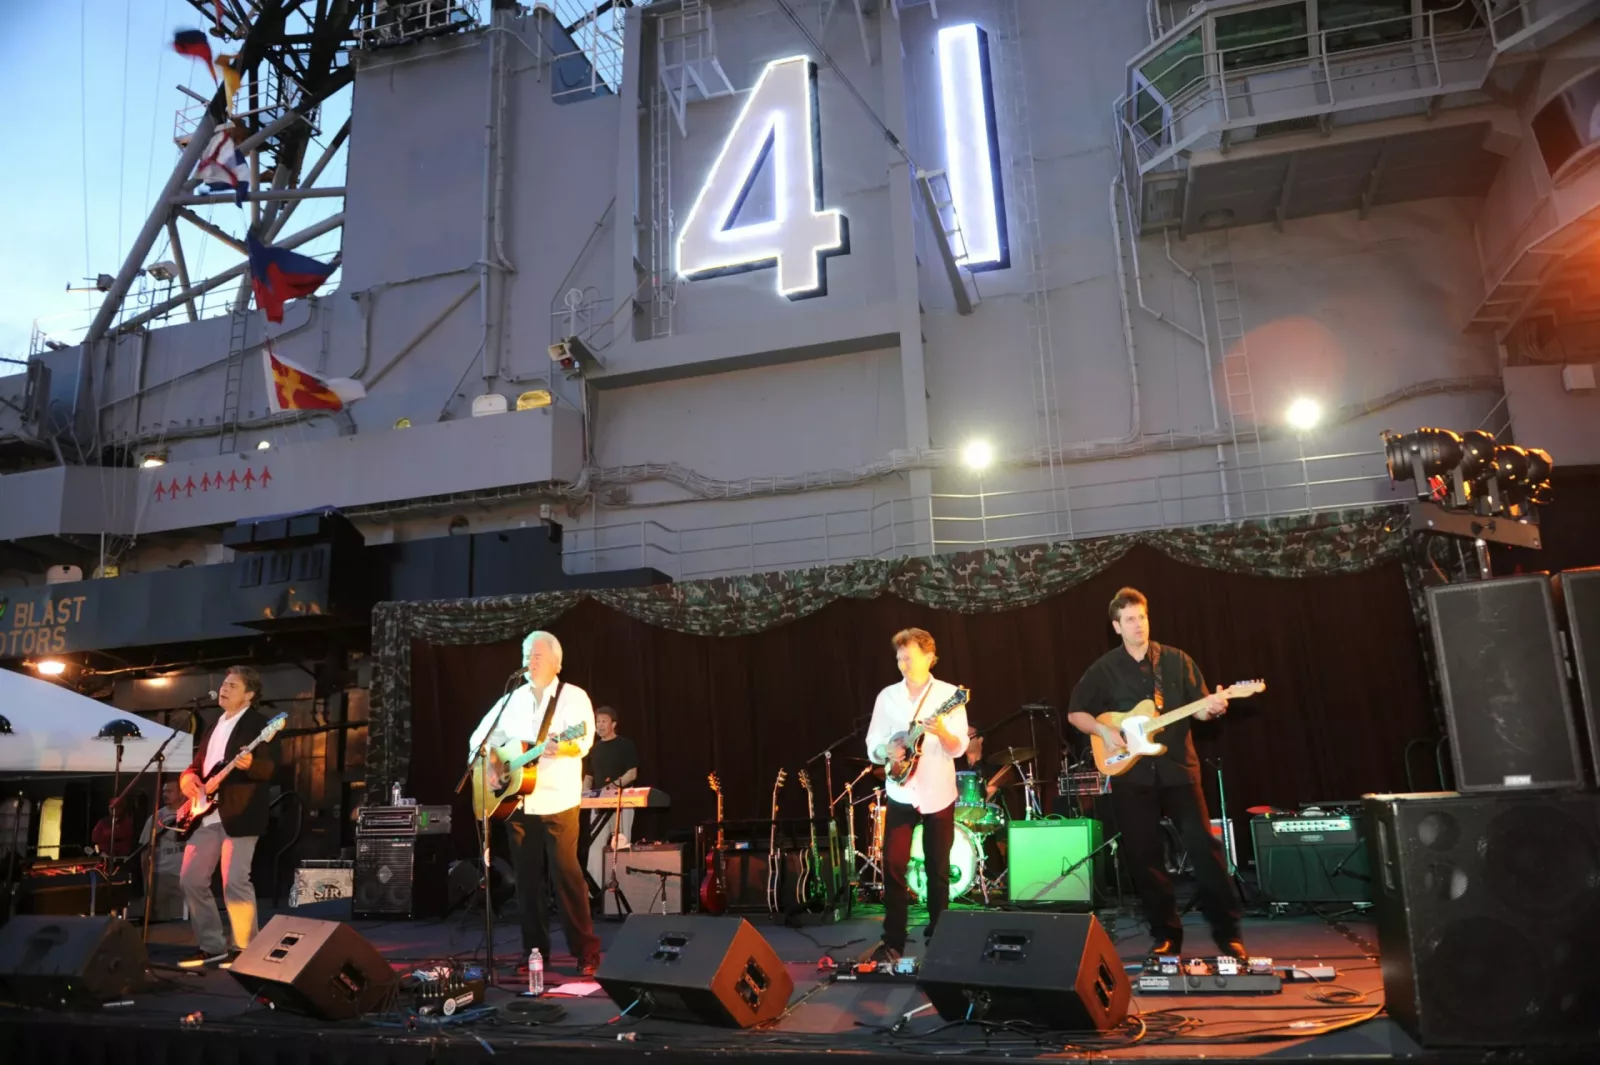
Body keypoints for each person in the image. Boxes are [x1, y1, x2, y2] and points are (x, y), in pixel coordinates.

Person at [1066, 587, 1245, 959]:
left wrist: (1213, 708)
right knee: (1144, 857)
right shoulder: (1104, 668)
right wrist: (1103, 731)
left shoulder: (1176, 661)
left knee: (1204, 848)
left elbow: (1197, 711)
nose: (1138, 626)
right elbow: (1076, 713)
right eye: (1130, 620)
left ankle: (1228, 933)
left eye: (1142, 617)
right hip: (1131, 775)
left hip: (1179, 769)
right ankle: (1166, 935)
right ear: (1116, 626)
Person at [466, 630, 602, 977]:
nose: (530, 659)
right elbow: (480, 739)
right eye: (527, 653)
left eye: (537, 654)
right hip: (519, 802)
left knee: (566, 875)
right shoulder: (511, 699)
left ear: (556, 662)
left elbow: (583, 737)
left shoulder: (572, 697)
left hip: (559, 798)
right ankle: (534, 952)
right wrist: (494, 769)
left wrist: (560, 746)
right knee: (527, 883)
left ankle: (585, 951)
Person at [863, 628, 968, 962]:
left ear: (929, 657)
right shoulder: (887, 697)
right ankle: (893, 941)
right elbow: (872, 746)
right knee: (892, 866)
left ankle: (940, 937)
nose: (903, 663)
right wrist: (888, 750)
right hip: (900, 790)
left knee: (938, 869)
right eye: (899, 657)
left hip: (938, 790)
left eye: (909, 656)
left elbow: (959, 747)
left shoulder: (950, 695)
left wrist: (944, 732)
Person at [178, 665, 278, 968]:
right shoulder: (212, 725)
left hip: (241, 813)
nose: (224, 688)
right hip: (206, 815)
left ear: (249, 694)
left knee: (234, 882)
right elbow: (198, 765)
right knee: (191, 879)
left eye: (233, 686)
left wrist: (250, 765)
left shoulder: (260, 725)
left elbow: (272, 768)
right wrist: (187, 779)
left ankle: (245, 949)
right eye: (224, 684)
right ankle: (212, 946)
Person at [582, 707, 639, 897]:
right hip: (598, 803)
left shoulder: (625, 745)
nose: (599, 725)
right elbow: (589, 776)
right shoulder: (594, 748)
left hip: (621, 801)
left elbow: (632, 773)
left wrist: (613, 786)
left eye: (603, 721)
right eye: (597, 721)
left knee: (621, 843)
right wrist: (583, 795)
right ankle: (595, 893)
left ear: (613, 724)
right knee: (595, 847)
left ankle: (623, 890)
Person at [138, 780, 187, 922]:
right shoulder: (156, 817)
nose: (165, 794)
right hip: (160, 875)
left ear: (182, 792)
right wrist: (146, 878)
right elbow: (146, 849)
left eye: (170, 791)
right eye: (164, 791)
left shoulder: (193, 813)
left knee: (180, 920)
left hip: (182, 876)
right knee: (158, 919)